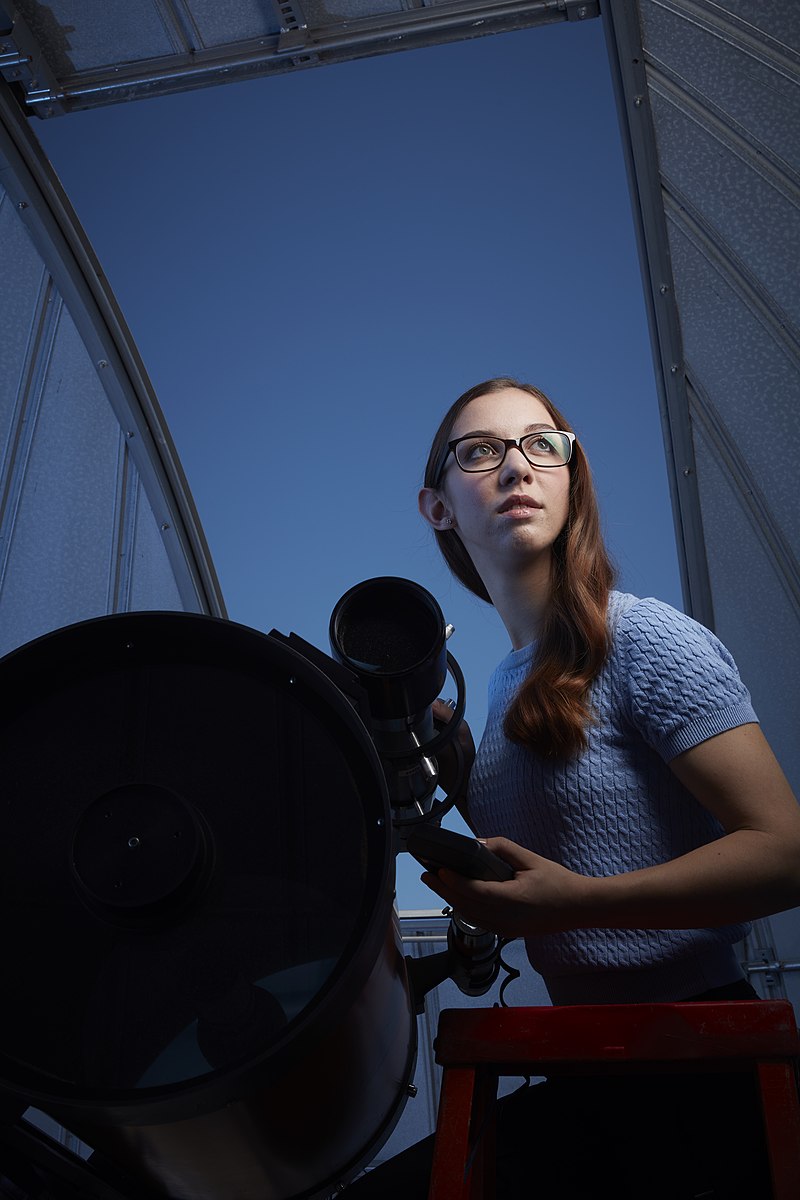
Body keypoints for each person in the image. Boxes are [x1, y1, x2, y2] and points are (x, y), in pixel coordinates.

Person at [350, 377, 800, 1198]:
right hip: (589, 1067)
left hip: (700, 1072)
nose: (516, 466)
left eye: (539, 445)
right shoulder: (497, 691)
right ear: (438, 506)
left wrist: (574, 903)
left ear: (570, 476)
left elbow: (785, 854)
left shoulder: (646, 638)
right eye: (480, 451)